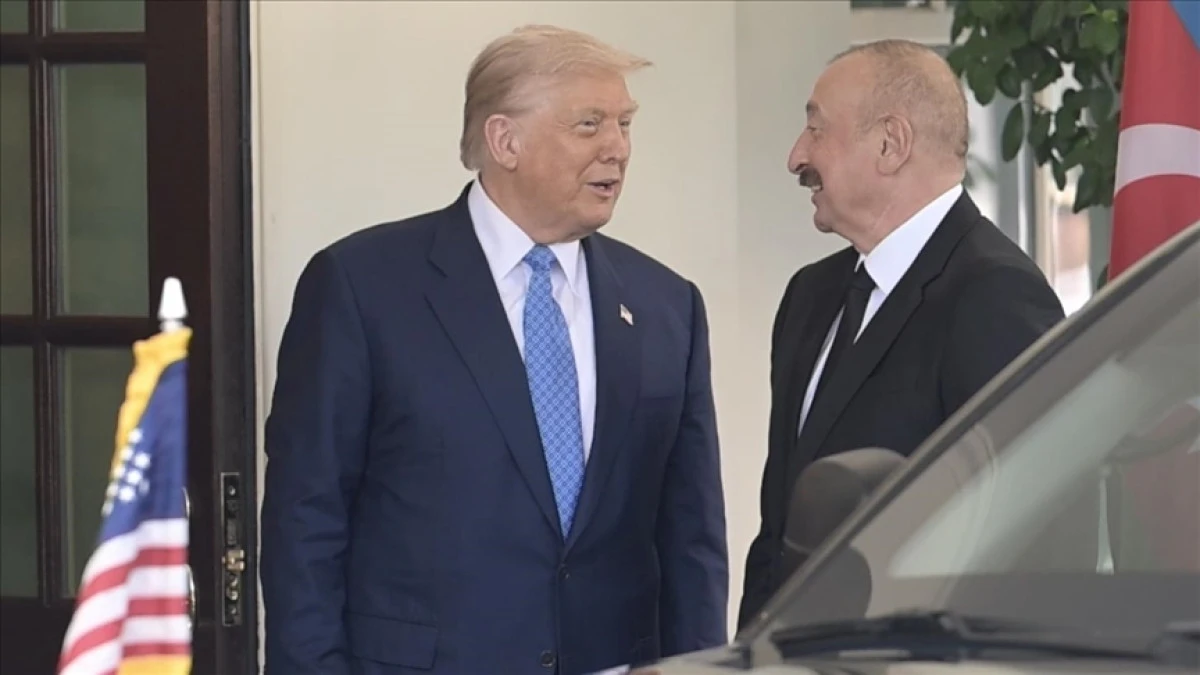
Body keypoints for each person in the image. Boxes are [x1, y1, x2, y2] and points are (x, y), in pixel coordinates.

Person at [260, 24, 729, 675]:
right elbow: (305, 521)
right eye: (589, 124)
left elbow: (692, 540)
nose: (618, 148)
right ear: (505, 140)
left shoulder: (667, 306)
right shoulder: (362, 287)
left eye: (625, 124)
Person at [737, 39, 1065, 629]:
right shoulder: (809, 296)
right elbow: (777, 532)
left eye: (816, 129)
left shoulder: (996, 295)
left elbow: (1029, 539)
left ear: (891, 143)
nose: (796, 156)